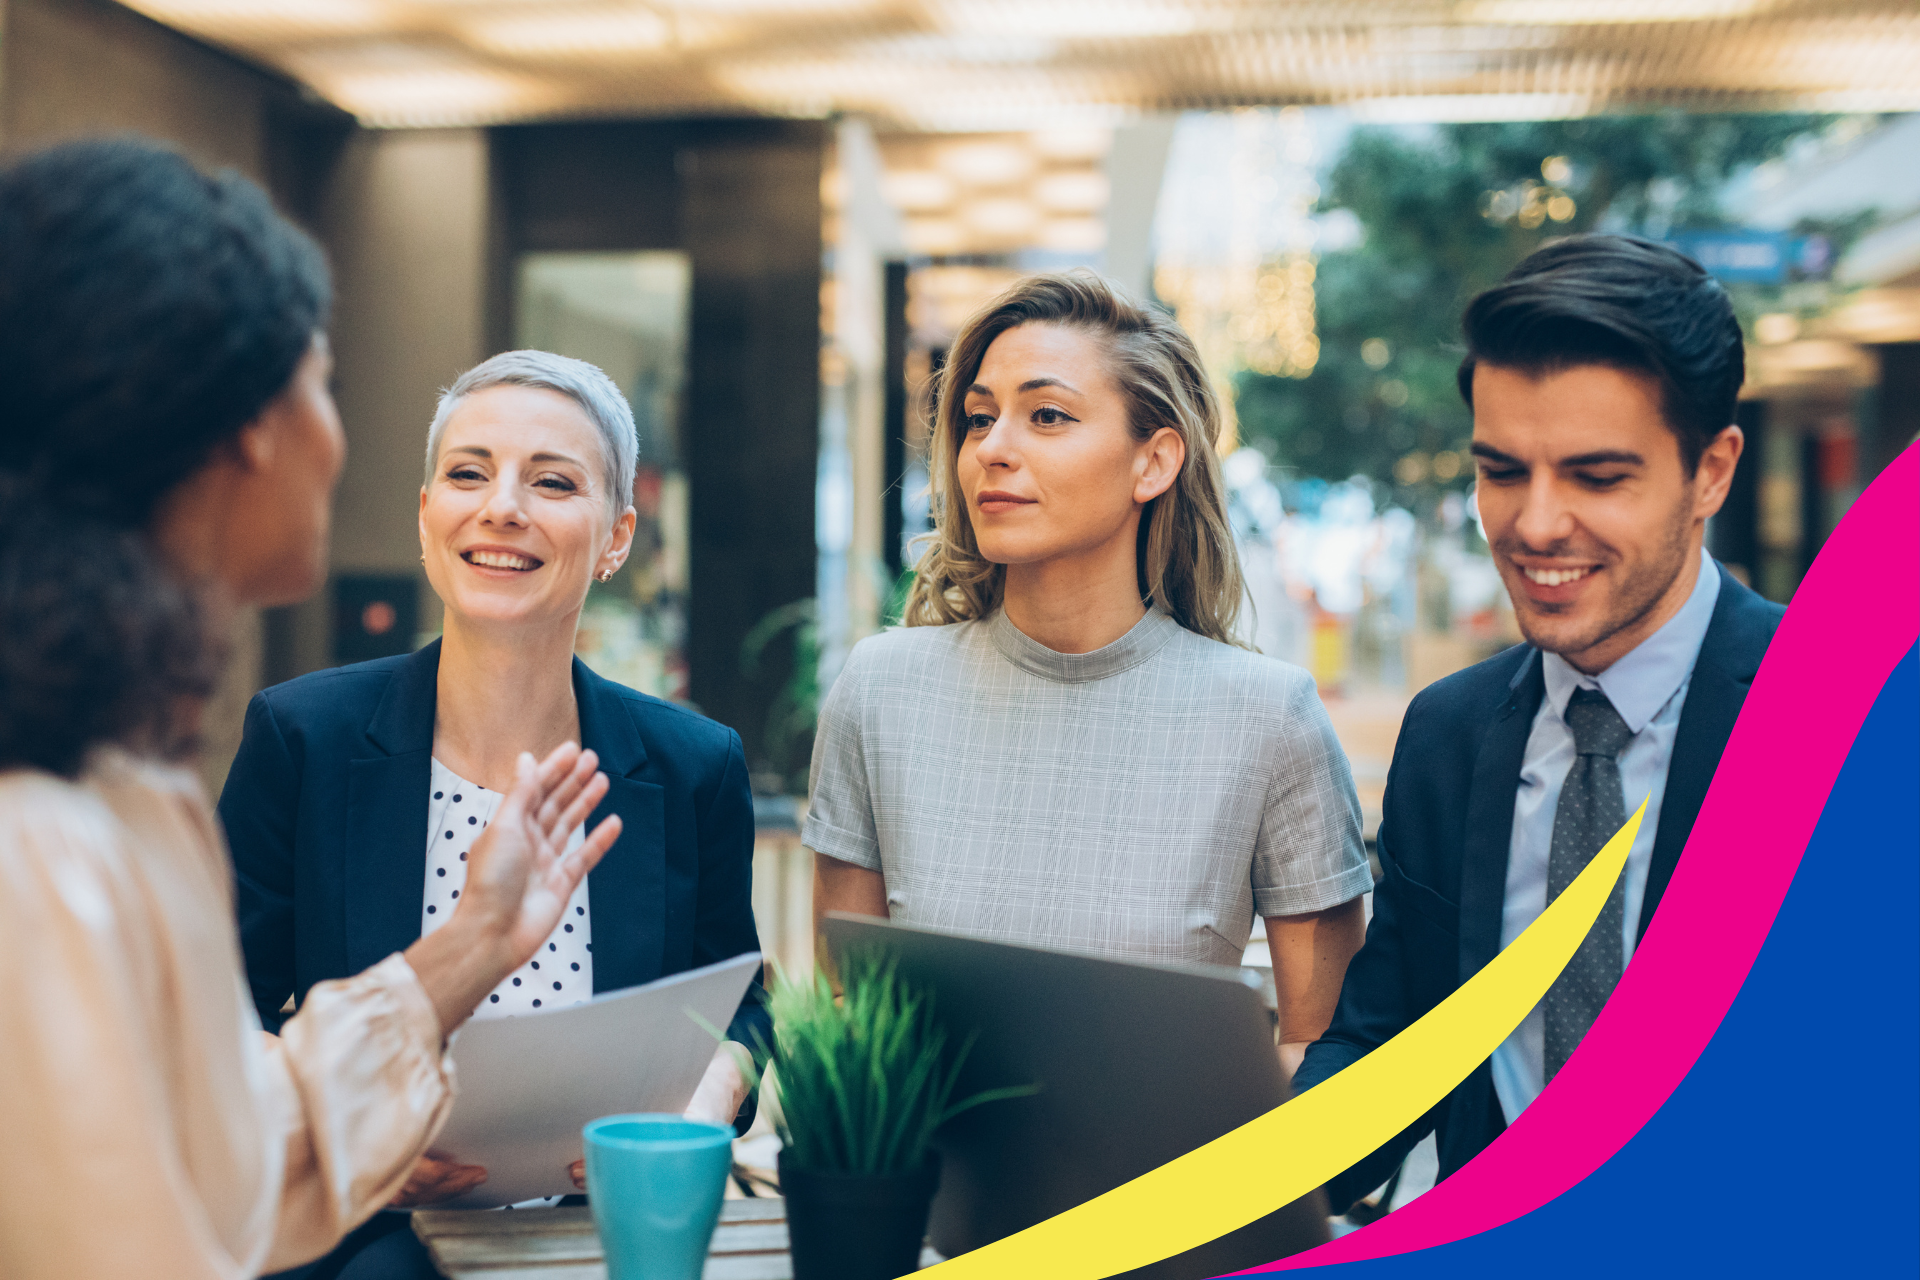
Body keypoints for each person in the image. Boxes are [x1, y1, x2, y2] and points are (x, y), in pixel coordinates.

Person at [0, 139, 620, 1279]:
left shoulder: (126, 775)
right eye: (321, 382)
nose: (338, 438)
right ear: (248, 425)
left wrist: (469, 946)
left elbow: (218, 1152)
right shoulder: (41, 844)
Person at [219, 350, 769, 1277]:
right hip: (367, 1236)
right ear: (427, 516)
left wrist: (702, 1107)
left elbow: (741, 1002)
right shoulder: (302, 738)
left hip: (608, 1231)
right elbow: (215, 1013)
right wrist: (339, 1123)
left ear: (617, 537)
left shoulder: (692, 766)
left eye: (552, 482)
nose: (502, 506)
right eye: (468, 474)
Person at [1292, 235, 1786, 1210]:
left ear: (1713, 472)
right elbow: (1390, 1040)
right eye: (1503, 470)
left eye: (1599, 477)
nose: (1536, 524)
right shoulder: (1452, 730)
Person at [805, 272, 1374, 1077]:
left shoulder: (1267, 718)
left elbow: (1320, 1046)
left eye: (1047, 416)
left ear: (1154, 462)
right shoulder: (880, 689)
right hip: (935, 1196)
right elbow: (848, 1015)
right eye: (977, 418)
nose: (993, 448)